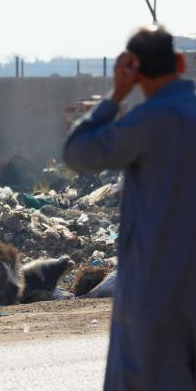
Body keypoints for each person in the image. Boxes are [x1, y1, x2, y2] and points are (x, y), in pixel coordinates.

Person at [64, 25, 196, 390]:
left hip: (157, 291)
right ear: (181, 62)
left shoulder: (146, 123)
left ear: (134, 72)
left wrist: (114, 96)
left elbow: (78, 153)